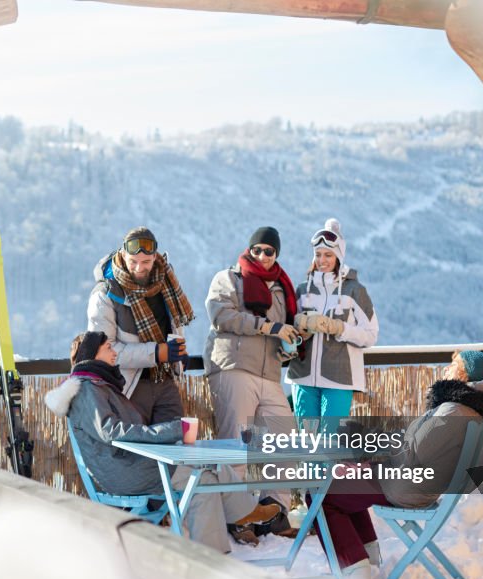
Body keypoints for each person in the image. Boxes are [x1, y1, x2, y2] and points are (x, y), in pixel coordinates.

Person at [46, 331, 280, 553]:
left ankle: (216, 553)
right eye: (108, 348)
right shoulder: (89, 389)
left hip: (128, 465)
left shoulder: (98, 386)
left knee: (205, 476)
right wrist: (171, 431)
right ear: (92, 354)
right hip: (124, 473)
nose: (114, 352)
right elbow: (113, 431)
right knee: (202, 474)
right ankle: (240, 518)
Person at [317, 350, 483, 579]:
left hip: (408, 487)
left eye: (453, 364)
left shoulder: (454, 411)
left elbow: (412, 452)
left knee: (321, 495)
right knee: (346, 481)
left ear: (465, 374)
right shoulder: (474, 413)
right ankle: (365, 562)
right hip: (418, 483)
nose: (446, 369)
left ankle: (354, 572)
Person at [88, 227, 194, 425]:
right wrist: (156, 353)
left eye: (145, 262)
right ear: (122, 255)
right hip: (126, 386)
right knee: (136, 452)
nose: (139, 268)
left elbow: (172, 326)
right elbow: (102, 351)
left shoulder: (167, 283)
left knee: (175, 446)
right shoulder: (105, 293)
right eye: (133, 262)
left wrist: (178, 354)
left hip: (165, 381)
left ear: (155, 257)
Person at [203, 226, 300, 440]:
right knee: (236, 447)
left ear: (276, 254)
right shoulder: (229, 277)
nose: (262, 256)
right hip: (235, 368)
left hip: (270, 375)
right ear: (249, 249)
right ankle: (218, 476)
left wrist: (289, 346)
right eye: (257, 250)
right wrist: (268, 327)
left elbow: (281, 331)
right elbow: (222, 316)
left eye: (268, 251)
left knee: (287, 446)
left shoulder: (282, 288)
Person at [288, 218, 378, 433]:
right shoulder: (303, 290)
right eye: (318, 255)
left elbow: (371, 335)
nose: (322, 260)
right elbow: (288, 332)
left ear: (338, 256)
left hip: (339, 379)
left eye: (328, 255)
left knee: (330, 443)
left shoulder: (355, 291)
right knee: (307, 443)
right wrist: (300, 330)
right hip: (303, 376)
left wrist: (339, 328)